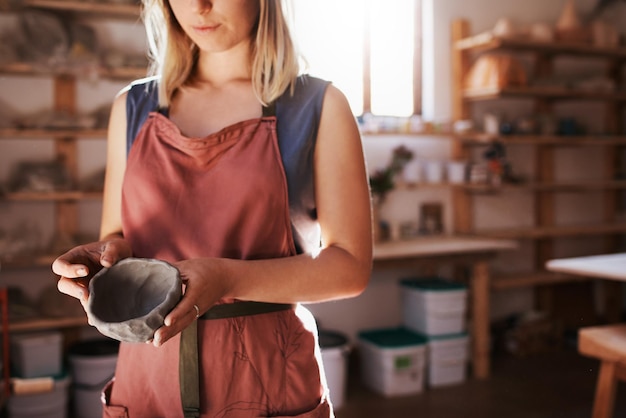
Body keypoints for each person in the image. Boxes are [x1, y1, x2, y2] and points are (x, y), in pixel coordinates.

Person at [52, 0, 372, 416]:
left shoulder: (317, 105)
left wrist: (226, 278)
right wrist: (103, 262)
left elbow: (349, 267)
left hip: (266, 375)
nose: (199, 6)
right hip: (149, 375)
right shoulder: (132, 107)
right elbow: (117, 235)